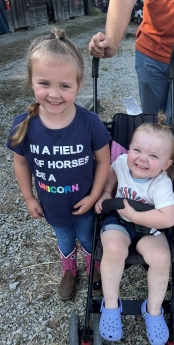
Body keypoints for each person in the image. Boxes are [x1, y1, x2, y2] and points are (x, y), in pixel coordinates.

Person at [6, 28, 111, 302]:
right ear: (31, 81)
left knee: (88, 237)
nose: (54, 94)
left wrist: (94, 196)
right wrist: (28, 197)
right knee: (64, 239)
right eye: (45, 83)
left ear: (78, 85)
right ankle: (69, 270)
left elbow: (103, 161)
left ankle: (93, 267)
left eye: (64, 86)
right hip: (52, 203)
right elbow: (20, 163)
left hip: (85, 202)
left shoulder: (90, 124)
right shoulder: (24, 125)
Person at [95, 115, 174, 345]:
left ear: (165, 164)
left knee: (162, 258)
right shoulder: (122, 161)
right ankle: (111, 305)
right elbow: (111, 174)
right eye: (137, 150)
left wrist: (135, 215)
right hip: (119, 221)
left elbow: (169, 217)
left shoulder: (161, 183)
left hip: (147, 226)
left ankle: (153, 310)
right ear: (129, 149)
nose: (142, 159)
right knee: (113, 248)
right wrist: (105, 194)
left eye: (153, 156)